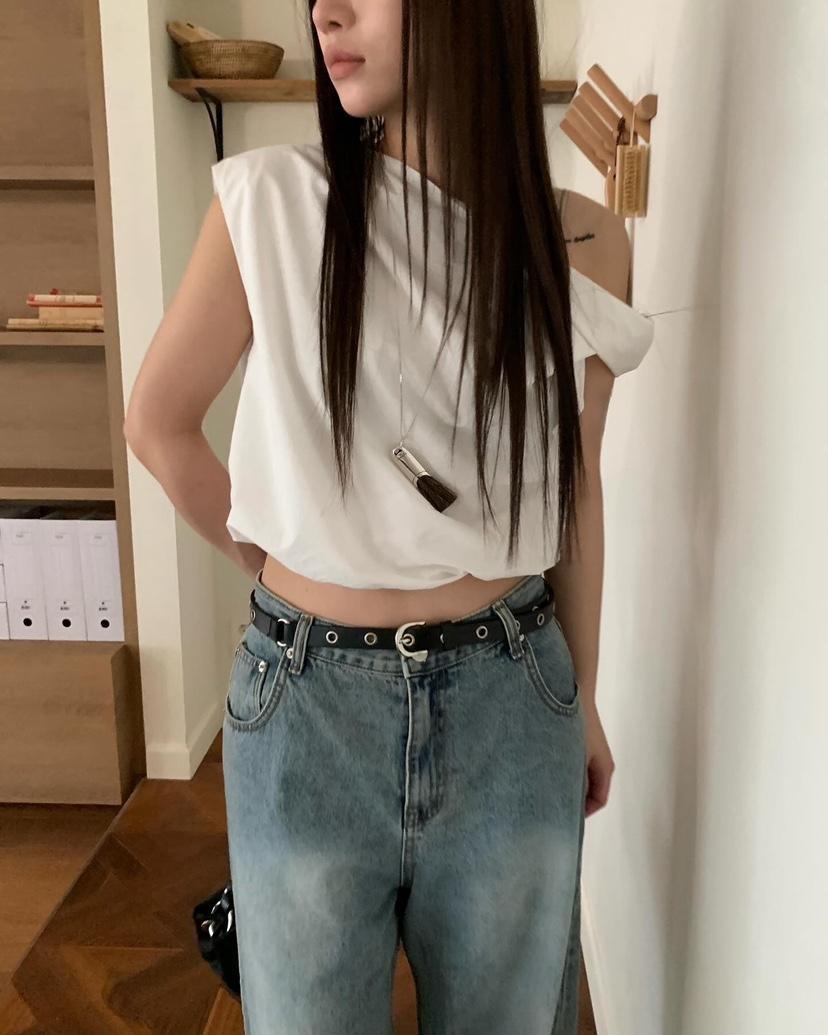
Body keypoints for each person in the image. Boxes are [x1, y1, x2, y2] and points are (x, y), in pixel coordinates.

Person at [124, 1, 655, 1031]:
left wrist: (583, 695)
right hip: (308, 707)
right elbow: (157, 423)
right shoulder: (271, 201)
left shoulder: (585, 239)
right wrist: (286, 573)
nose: (326, 9)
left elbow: (575, 487)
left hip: (514, 699)